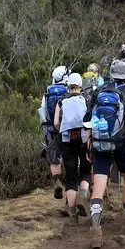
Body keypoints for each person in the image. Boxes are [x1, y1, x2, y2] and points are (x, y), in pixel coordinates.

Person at [84, 60, 125, 249]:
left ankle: (96, 227)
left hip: (101, 142)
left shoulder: (99, 90)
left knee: (99, 184)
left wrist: (90, 140)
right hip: (124, 143)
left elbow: (87, 118)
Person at [53, 73, 91, 224]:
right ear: (81, 85)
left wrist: (62, 130)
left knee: (70, 176)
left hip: (67, 140)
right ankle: (82, 195)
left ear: (68, 85)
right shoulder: (87, 99)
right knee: (86, 171)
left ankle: (73, 215)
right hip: (83, 140)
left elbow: (56, 123)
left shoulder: (61, 101)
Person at [39, 66, 69, 199]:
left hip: (51, 130)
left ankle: (57, 180)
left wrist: (46, 129)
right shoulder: (69, 90)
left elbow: (42, 111)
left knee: (54, 159)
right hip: (67, 129)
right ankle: (70, 185)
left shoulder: (47, 92)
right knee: (70, 158)